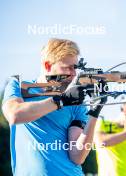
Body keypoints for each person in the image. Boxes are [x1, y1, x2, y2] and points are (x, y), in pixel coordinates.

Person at [2, 38, 106, 175]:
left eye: (75, 68)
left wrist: (95, 111)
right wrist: (61, 101)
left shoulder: (76, 101)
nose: (74, 74)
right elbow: (14, 115)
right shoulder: (17, 86)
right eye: (68, 68)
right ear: (47, 66)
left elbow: (77, 156)